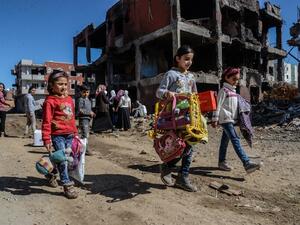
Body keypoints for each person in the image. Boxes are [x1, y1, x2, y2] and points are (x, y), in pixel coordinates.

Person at [156, 45, 198, 192]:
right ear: (178, 59)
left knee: (190, 144)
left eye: (191, 60)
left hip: (189, 115)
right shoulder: (171, 74)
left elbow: (195, 96)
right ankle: (168, 167)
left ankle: (182, 176)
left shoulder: (191, 77)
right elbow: (158, 92)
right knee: (179, 145)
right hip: (174, 115)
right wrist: (167, 93)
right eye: (186, 59)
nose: (189, 62)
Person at [211, 67, 260, 174]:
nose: (236, 81)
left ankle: (221, 162)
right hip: (225, 119)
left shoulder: (233, 92)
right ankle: (247, 163)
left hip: (231, 120)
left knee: (225, 141)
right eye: (234, 79)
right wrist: (215, 119)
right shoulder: (223, 91)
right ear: (226, 78)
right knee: (235, 139)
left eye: (237, 79)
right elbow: (217, 106)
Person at [42, 71, 78, 199]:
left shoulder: (69, 99)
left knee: (67, 160)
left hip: (69, 135)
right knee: (63, 160)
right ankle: (67, 185)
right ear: (51, 85)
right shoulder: (50, 102)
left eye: (65, 84)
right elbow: (46, 121)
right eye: (60, 84)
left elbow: (72, 117)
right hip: (57, 135)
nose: (63, 87)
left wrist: (75, 132)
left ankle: (51, 173)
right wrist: (46, 139)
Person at [78, 85, 95, 155]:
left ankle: (82, 149)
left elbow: (89, 109)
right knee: (85, 135)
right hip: (83, 119)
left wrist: (92, 113)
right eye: (84, 92)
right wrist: (89, 112)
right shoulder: (81, 100)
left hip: (88, 119)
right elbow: (80, 110)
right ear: (81, 92)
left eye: (87, 92)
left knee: (86, 135)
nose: (86, 94)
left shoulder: (88, 100)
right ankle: (86, 150)